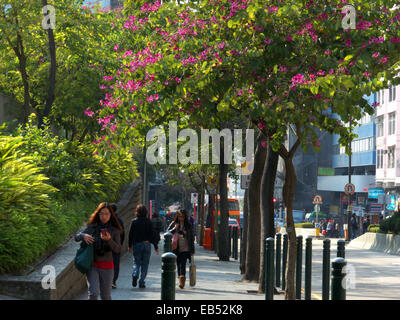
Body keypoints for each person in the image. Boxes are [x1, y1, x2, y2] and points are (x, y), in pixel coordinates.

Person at [75, 202, 122, 300]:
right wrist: (83, 236)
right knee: (94, 293)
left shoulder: (115, 230)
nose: (104, 216)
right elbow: (76, 237)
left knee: (105, 296)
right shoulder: (92, 227)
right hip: (93, 265)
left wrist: (109, 240)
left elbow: (117, 249)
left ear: (111, 215)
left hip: (107, 266)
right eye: (101, 214)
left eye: (107, 214)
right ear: (98, 214)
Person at [128, 204, 159, 289]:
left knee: (136, 262)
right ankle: (142, 282)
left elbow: (130, 234)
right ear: (146, 212)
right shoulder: (149, 222)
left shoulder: (134, 222)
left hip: (137, 244)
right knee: (145, 264)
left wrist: (129, 245)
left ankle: (135, 274)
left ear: (137, 212)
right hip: (146, 244)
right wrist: (156, 247)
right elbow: (152, 235)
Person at [167, 209, 195, 289]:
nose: (181, 218)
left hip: (186, 248)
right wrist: (175, 229)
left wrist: (192, 251)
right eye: (179, 216)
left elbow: (191, 238)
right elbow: (167, 233)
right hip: (176, 247)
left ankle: (182, 281)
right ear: (177, 217)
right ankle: (180, 277)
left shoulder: (188, 225)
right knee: (178, 264)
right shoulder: (174, 224)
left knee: (183, 264)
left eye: (182, 217)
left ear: (185, 217)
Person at [110, 203, 125, 289]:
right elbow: (122, 233)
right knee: (115, 264)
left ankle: (107, 281)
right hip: (116, 245)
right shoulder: (119, 220)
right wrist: (120, 244)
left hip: (106, 245)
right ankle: (113, 281)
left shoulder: (106, 220)